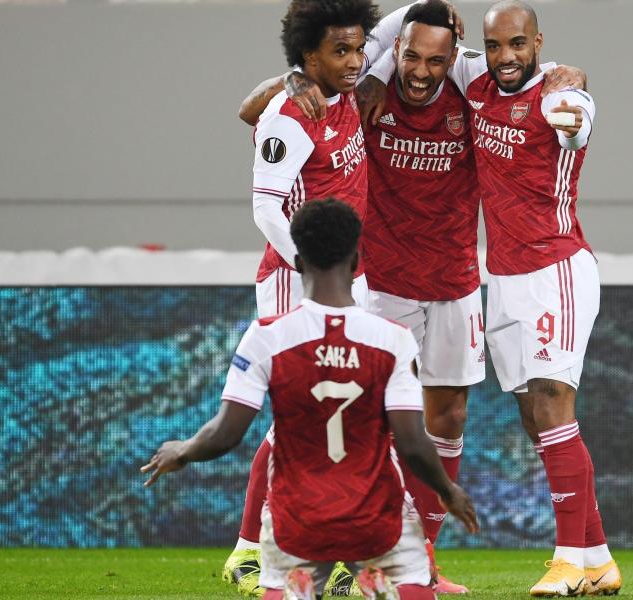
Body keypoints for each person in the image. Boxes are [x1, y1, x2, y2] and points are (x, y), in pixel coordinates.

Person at [238, 1, 586, 594]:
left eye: (436, 60)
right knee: (347, 418)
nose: (422, 72)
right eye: (411, 56)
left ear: (454, 60)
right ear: (393, 48)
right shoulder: (363, 87)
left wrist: (568, 78)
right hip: (376, 282)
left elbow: (525, 67)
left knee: (447, 419)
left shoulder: (472, 83)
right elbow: (254, 110)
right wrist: (298, 75)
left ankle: (416, 561)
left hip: (454, 281)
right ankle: (274, 548)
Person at [362, 0, 620, 596]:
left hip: (556, 267)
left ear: (538, 44)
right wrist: (377, 74)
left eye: (519, 45)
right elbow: (405, 43)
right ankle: (600, 557)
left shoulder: (560, 96)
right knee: (534, 415)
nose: (507, 57)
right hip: (501, 277)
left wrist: (574, 105)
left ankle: (569, 560)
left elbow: (577, 110)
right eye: (496, 45)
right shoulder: (470, 77)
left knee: (555, 405)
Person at [142, 198, 479, 600]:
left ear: (297, 261)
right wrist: (447, 490)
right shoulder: (392, 340)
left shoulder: (266, 336)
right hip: (374, 520)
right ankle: (384, 580)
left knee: (288, 579)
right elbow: (411, 442)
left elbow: (225, 433)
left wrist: (181, 450)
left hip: (297, 522)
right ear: (357, 259)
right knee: (410, 582)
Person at [226, 1, 383, 596]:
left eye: (357, 49)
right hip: (300, 281)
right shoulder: (291, 116)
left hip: (346, 278)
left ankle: (289, 548)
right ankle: (259, 552)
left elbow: (403, 27)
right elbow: (266, 206)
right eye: (338, 52)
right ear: (306, 57)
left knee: (335, 417)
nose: (353, 61)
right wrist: (311, 266)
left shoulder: (343, 93)